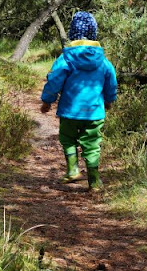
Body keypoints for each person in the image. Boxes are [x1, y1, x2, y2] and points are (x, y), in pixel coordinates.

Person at [40, 11, 117, 192]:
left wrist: (47, 101)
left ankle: (73, 170)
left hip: (69, 111)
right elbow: (111, 81)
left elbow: (54, 81)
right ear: (94, 33)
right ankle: (95, 181)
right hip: (94, 112)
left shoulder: (66, 58)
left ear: (72, 33)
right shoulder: (103, 61)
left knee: (68, 138)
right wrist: (109, 100)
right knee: (92, 144)